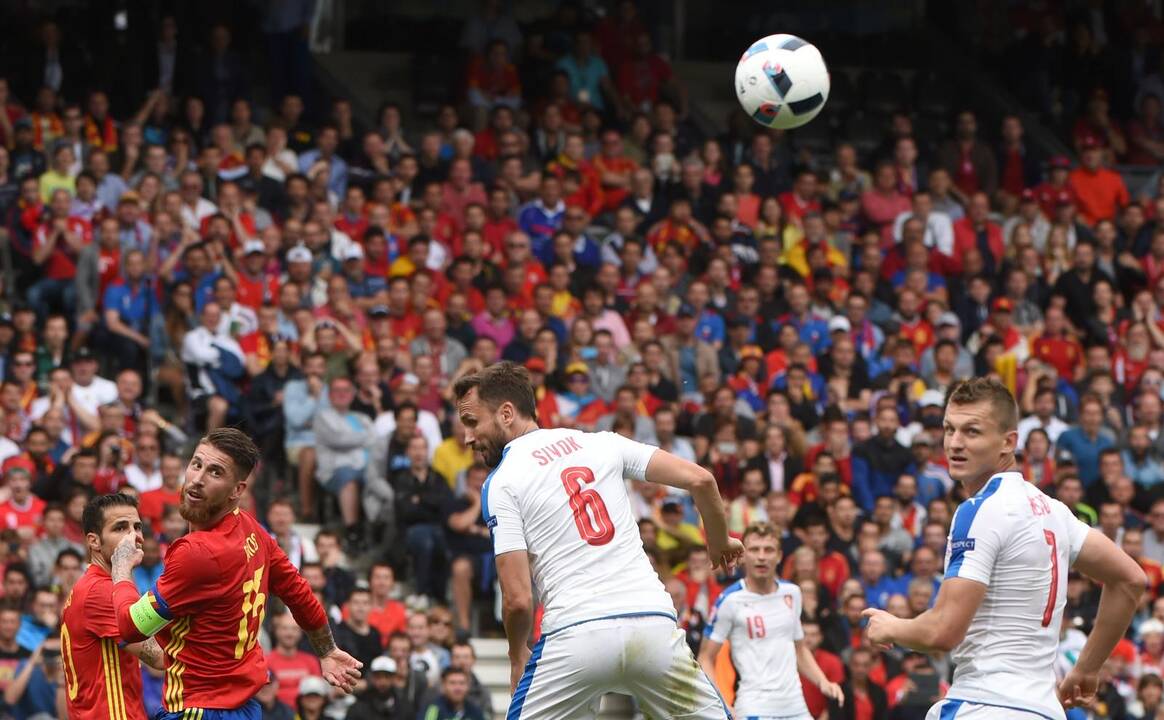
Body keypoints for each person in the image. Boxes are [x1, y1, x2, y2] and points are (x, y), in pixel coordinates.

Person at [452, 361, 742, 718]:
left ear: (506, 413)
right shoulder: (601, 443)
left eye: (471, 422)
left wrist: (517, 656)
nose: (467, 437)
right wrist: (720, 540)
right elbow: (701, 480)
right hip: (651, 627)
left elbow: (517, 600)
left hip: (575, 637)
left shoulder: (502, 481)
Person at [862, 378, 1146, 719]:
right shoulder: (1053, 510)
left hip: (986, 704)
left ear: (1008, 442)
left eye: (972, 432)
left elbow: (943, 631)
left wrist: (891, 626)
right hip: (1041, 710)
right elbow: (1130, 579)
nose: (955, 443)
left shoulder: (980, 509)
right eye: (950, 429)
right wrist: (1087, 668)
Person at [107, 427, 362, 717]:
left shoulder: (197, 553)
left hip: (198, 708)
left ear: (237, 490)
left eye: (215, 472)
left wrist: (120, 569)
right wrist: (326, 650)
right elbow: (298, 592)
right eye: (196, 464)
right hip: (245, 708)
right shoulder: (251, 528)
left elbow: (131, 627)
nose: (197, 480)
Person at [697, 521, 844, 719]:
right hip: (755, 708)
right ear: (742, 556)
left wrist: (822, 682)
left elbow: (799, 649)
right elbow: (705, 657)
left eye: (768, 550)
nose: (761, 556)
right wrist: (721, 703)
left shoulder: (792, 593)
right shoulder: (730, 600)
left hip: (796, 706)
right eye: (754, 549)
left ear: (779, 556)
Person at [61, 493, 164, 720]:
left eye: (137, 527)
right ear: (94, 541)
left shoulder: (96, 585)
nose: (134, 536)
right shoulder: (101, 591)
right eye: (120, 528)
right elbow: (159, 657)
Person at [416, 667, 486, 720]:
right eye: (452, 683)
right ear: (443, 686)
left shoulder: (475, 711)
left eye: (462, 683)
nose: (458, 688)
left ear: (468, 686)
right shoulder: (432, 709)